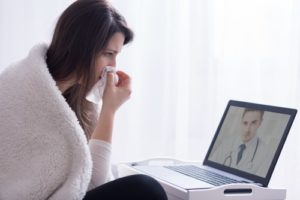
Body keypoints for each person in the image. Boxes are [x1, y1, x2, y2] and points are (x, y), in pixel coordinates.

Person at [0, 0, 168, 199]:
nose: (113, 66)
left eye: (116, 56)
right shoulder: (19, 94)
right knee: (145, 188)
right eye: (108, 54)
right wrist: (110, 111)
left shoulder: (76, 100)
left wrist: (108, 108)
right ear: (81, 48)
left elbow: (89, 182)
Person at [210, 108, 271, 177]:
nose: (247, 129)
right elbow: (210, 169)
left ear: (260, 123)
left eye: (253, 123)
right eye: (245, 123)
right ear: (241, 121)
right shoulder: (227, 142)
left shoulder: (265, 154)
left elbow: (258, 183)